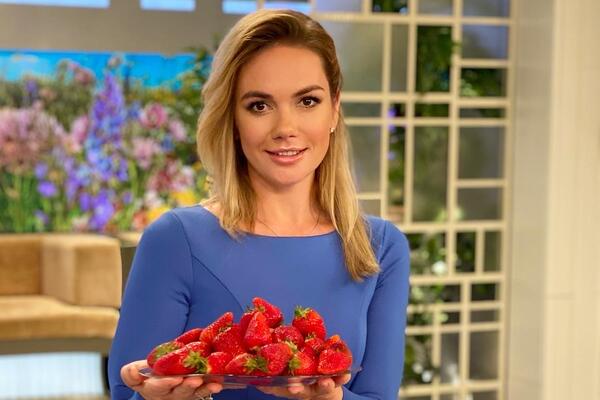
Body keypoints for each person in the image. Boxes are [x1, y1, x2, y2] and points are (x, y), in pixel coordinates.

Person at [108, 8, 410, 400]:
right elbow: (129, 391)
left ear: (334, 109)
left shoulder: (380, 247)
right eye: (259, 106)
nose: (286, 128)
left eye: (307, 101)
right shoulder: (175, 240)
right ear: (232, 119)